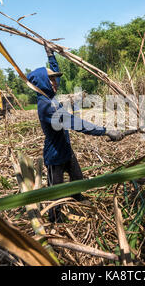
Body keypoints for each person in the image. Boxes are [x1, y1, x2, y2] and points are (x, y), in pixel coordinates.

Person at [27, 44, 124, 223]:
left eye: (55, 80)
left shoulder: (48, 94)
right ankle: (55, 219)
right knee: (55, 193)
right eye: (51, 80)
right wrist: (105, 131)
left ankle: (77, 199)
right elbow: (76, 123)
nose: (56, 83)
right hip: (54, 155)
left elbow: (54, 75)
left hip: (66, 149)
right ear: (41, 82)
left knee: (78, 179)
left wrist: (51, 56)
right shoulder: (46, 105)